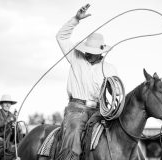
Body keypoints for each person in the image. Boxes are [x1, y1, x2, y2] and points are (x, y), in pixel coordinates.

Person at [56, 4, 118, 160]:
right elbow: (61, 37)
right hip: (76, 109)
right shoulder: (76, 57)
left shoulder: (109, 68)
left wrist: (113, 92)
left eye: (93, 52)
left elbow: (116, 93)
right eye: (88, 51)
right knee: (75, 129)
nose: (89, 54)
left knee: (118, 133)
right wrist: (76, 19)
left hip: (99, 110)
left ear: (100, 52)